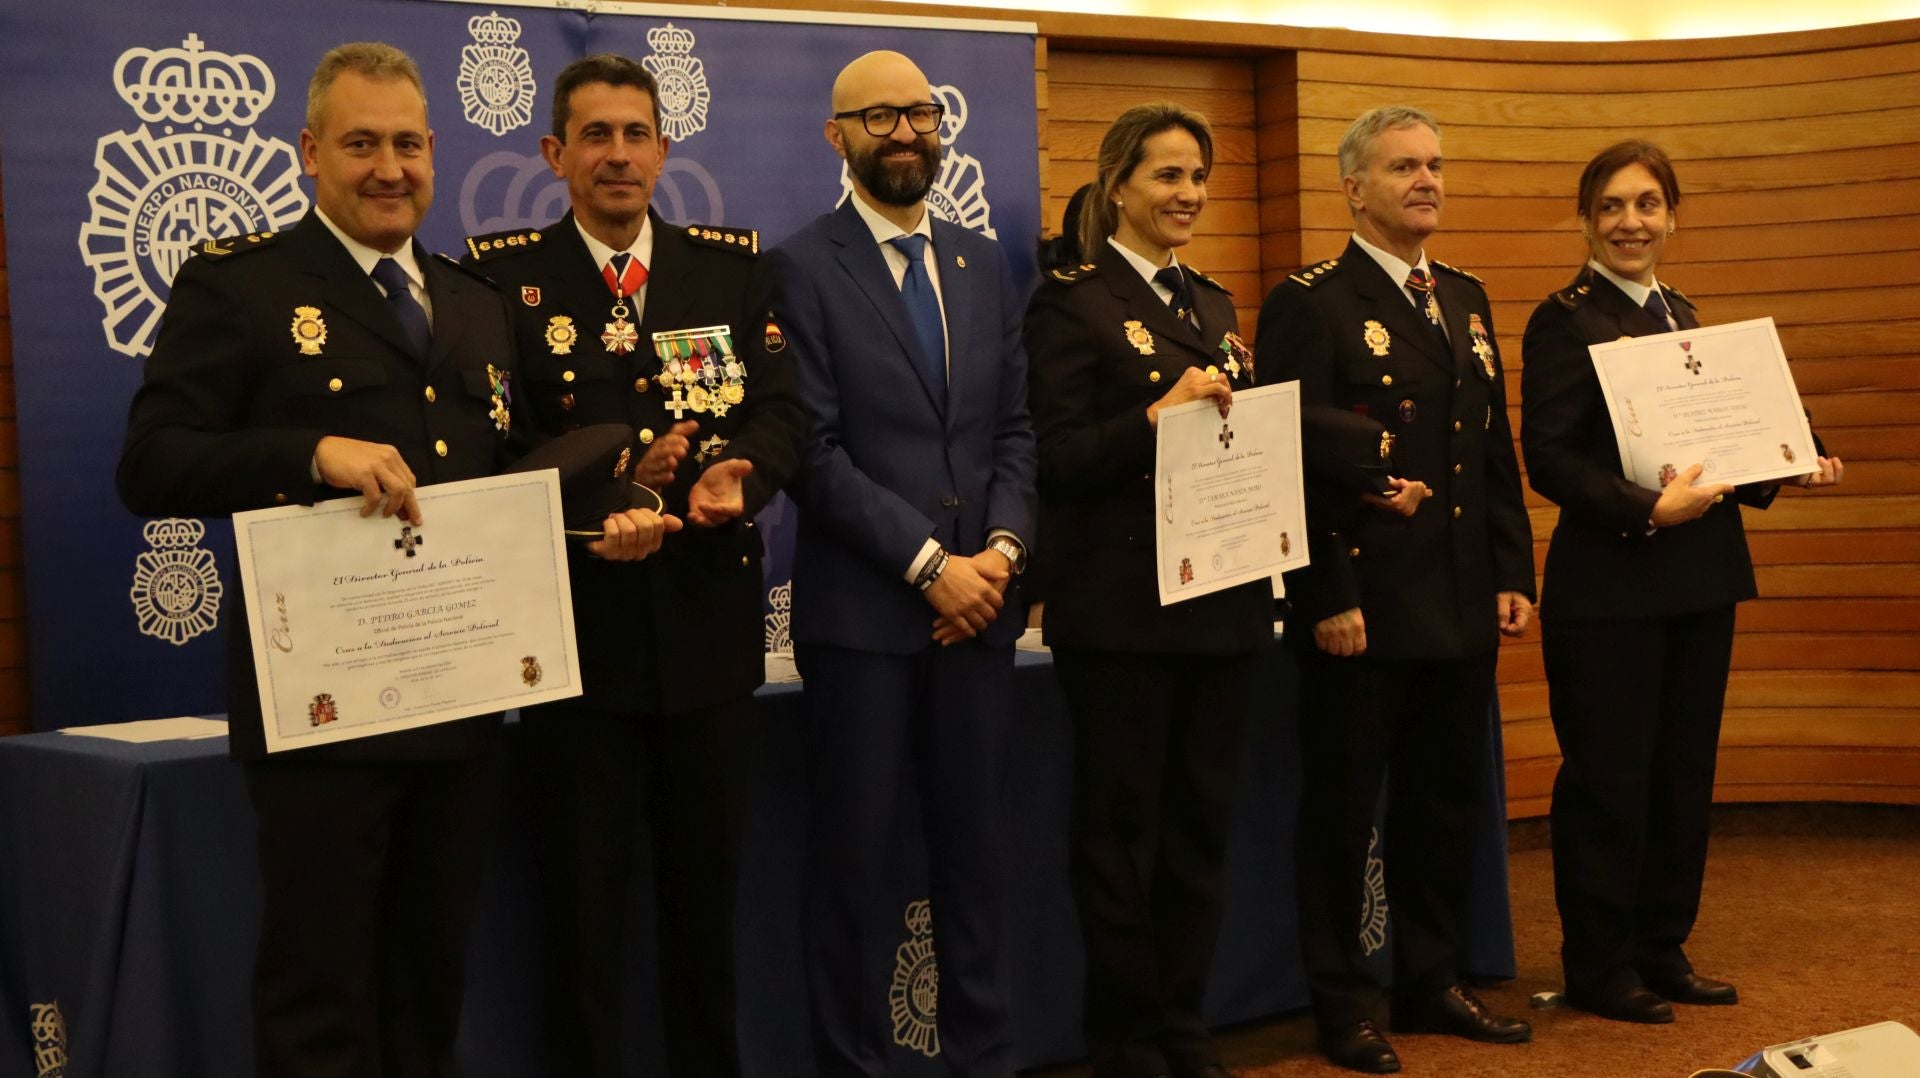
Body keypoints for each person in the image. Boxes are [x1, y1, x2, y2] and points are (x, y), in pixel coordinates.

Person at [115, 41, 659, 1077]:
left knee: (428, 981)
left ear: (434, 152)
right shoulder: (243, 286)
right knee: (320, 994)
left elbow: (499, 477)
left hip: (459, 699)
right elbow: (149, 466)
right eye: (361, 144)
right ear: (311, 152)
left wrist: (612, 515)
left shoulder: (470, 301)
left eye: (407, 144)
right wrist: (309, 451)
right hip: (323, 714)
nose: (388, 168)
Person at [461, 54, 803, 1077]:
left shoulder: (732, 271)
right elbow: (493, 449)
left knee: (706, 915)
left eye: (636, 134)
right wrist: (603, 500)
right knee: (584, 921)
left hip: (708, 642)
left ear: (664, 149)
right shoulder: (500, 280)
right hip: (578, 649)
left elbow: (785, 415)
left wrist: (745, 471)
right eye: (596, 136)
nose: (618, 154)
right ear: (555, 155)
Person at [1519, 139, 1842, 1025]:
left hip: (1700, 582)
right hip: (1611, 589)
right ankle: (1600, 964)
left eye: (1648, 205)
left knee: (1681, 777)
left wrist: (1792, 461)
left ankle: (1663, 946)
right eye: (1613, 206)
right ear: (1587, 219)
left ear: (1672, 216)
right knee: (1610, 780)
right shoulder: (1563, 318)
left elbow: (1724, 443)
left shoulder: (1684, 314)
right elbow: (1548, 456)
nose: (1632, 222)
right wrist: (1641, 510)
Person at [763, 48, 1036, 1078]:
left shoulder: (981, 260)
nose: (907, 134)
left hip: (982, 616)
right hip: (866, 623)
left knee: (977, 859)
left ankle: (987, 1057)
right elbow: (812, 452)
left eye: (920, 114)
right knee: (854, 870)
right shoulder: (797, 265)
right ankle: (854, 1064)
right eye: (879, 119)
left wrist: (998, 557)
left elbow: (1015, 430)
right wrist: (933, 566)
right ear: (837, 138)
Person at [1256, 105, 1536, 1074]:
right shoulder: (1312, 302)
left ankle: (1430, 979)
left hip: (1458, 601)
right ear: (1354, 187)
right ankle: (1341, 1003)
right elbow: (1288, 455)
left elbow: (1489, 450)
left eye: (1435, 165)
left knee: (1444, 803)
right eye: (1404, 166)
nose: (1427, 180)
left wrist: (1511, 571)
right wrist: (1327, 591)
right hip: (1362, 609)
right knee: (1343, 814)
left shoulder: (1462, 296)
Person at [1024, 103, 1270, 1078]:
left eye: (1198, 177)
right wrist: (1154, 418)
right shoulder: (1069, 303)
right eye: (1168, 175)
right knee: (1122, 836)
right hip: (1121, 613)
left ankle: (1184, 1025)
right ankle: (1124, 1039)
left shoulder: (1214, 304)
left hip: (1220, 602)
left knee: (1200, 828)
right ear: (1119, 183)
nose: (1188, 194)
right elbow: (1057, 456)